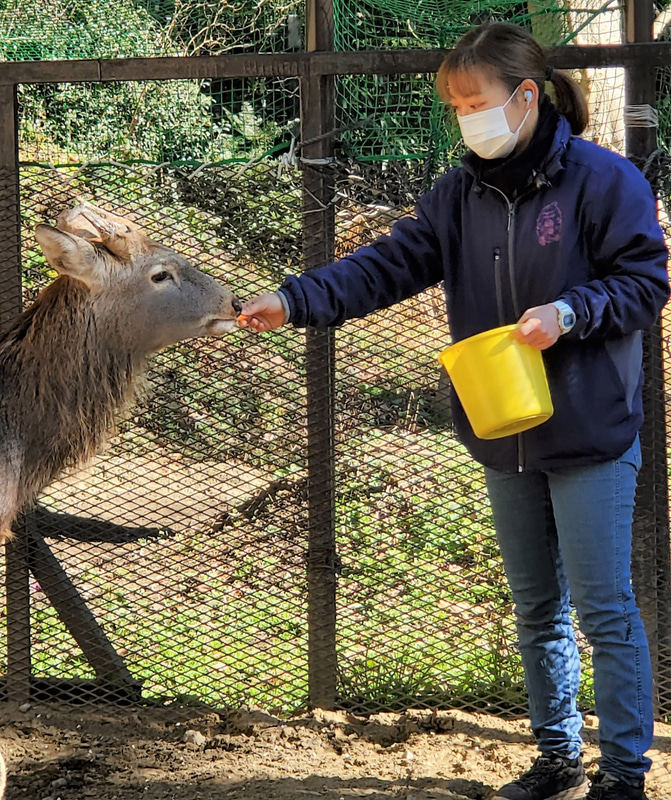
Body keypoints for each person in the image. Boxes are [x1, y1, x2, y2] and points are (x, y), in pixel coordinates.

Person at [238, 21, 670, 800]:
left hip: (588, 428)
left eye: (477, 101)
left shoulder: (602, 181)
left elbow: (645, 283)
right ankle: (556, 760)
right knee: (536, 607)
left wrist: (570, 312)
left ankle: (623, 775)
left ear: (526, 96)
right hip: (500, 429)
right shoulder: (456, 194)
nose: (466, 117)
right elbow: (385, 266)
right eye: (456, 106)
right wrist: (294, 300)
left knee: (603, 608)